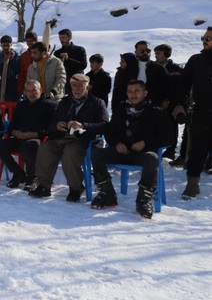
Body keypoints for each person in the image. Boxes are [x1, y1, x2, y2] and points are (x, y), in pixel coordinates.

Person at [89, 80, 174, 218]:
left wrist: (145, 143)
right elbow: (109, 132)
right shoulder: (120, 110)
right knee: (96, 153)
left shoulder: (157, 112)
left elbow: (168, 138)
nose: (133, 94)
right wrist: (116, 143)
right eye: (130, 91)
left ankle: (144, 200)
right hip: (122, 152)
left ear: (145, 93)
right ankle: (107, 193)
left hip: (144, 154)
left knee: (152, 158)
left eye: (137, 91)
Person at [29, 74, 109, 202]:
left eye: (81, 85)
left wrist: (84, 125)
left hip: (84, 139)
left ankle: (75, 188)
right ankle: (44, 185)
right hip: (63, 137)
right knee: (45, 148)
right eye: (74, 85)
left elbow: (104, 124)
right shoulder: (65, 102)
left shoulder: (97, 103)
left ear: (87, 87)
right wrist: (57, 125)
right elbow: (52, 121)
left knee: (70, 153)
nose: (77, 88)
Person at [0, 80, 56, 189]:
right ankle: (18, 173)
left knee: (28, 147)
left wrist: (35, 134)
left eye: (34, 90)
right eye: (28, 91)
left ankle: (33, 178)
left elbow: (52, 128)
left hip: (38, 138)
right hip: (19, 137)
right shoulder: (21, 105)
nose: (31, 93)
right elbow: (12, 125)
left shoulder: (49, 105)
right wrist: (14, 132)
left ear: (40, 90)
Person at [173, 28, 212, 198]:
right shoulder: (196, 60)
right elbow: (183, 85)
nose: (204, 40)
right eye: (204, 37)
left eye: (208, 38)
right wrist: (180, 105)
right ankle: (192, 184)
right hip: (201, 112)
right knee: (197, 149)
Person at [153, 43, 183, 159]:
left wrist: (171, 101)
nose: (156, 56)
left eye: (158, 54)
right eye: (155, 54)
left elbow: (180, 87)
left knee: (172, 126)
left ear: (166, 54)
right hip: (157, 103)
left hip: (173, 104)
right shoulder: (153, 68)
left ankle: (171, 150)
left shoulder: (177, 69)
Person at [53, 29, 87, 95]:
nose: (61, 40)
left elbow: (83, 65)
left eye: (63, 37)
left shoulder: (79, 50)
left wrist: (68, 59)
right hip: (62, 84)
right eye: (60, 38)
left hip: (77, 84)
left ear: (70, 37)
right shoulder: (57, 53)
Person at [0, 35, 20, 102]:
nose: (6, 47)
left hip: (14, 83)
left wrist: (13, 60)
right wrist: (3, 62)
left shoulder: (17, 56)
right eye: (4, 45)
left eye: (8, 45)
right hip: (2, 83)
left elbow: (18, 70)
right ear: (1, 45)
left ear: (11, 45)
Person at [17, 31, 38, 96]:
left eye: (31, 41)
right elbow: (22, 73)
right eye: (27, 41)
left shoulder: (42, 54)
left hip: (40, 86)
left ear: (36, 41)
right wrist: (21, 89)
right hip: (28, 87)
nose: (29, 43)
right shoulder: (24, 56)